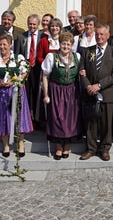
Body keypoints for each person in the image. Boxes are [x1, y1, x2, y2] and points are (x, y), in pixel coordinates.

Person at [0, 34, 33, 157]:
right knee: (2, 117)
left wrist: (15, 81)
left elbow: (25, 71)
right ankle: (6, 145)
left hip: (16, 91)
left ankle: (20, 143)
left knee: (19, 116)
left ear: (10, 45)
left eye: (4, 44)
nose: (2, 47)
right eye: (0, 44)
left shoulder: (18, 58)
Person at [79, 25, 113, 161]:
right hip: (90, 92)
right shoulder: (87, 51)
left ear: (108, 36)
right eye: (97, 34)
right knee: (91, 123)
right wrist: (88, 86)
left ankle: (104, 149)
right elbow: (82, 71)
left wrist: (99, 85)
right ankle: (91, 148)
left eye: (102, 34)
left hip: (107, 92)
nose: (99, 37)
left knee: (106, 123)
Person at [41, 32, 81, 160]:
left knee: (70, 119)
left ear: (72, 45)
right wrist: (46, 94)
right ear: (60, 44)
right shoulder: (52, 57)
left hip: (72, 91)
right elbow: (45, 77)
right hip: (56, 90)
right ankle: (58, 147)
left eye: (68, 44)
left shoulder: (77, 57)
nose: (66, 46)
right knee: (57, 118)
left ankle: (66, 147)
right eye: (64, 43)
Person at [15, 14, 44, 126]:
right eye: (30, 24)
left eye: (34, 24)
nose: (32, 26)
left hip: (38, 66)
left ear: (38, 24)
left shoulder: (43, 36)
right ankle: (26, 118)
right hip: (25, 66)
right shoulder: (22, 37)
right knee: (26, 92)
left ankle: (37, 119)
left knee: (37, 92)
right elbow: (17, 54)